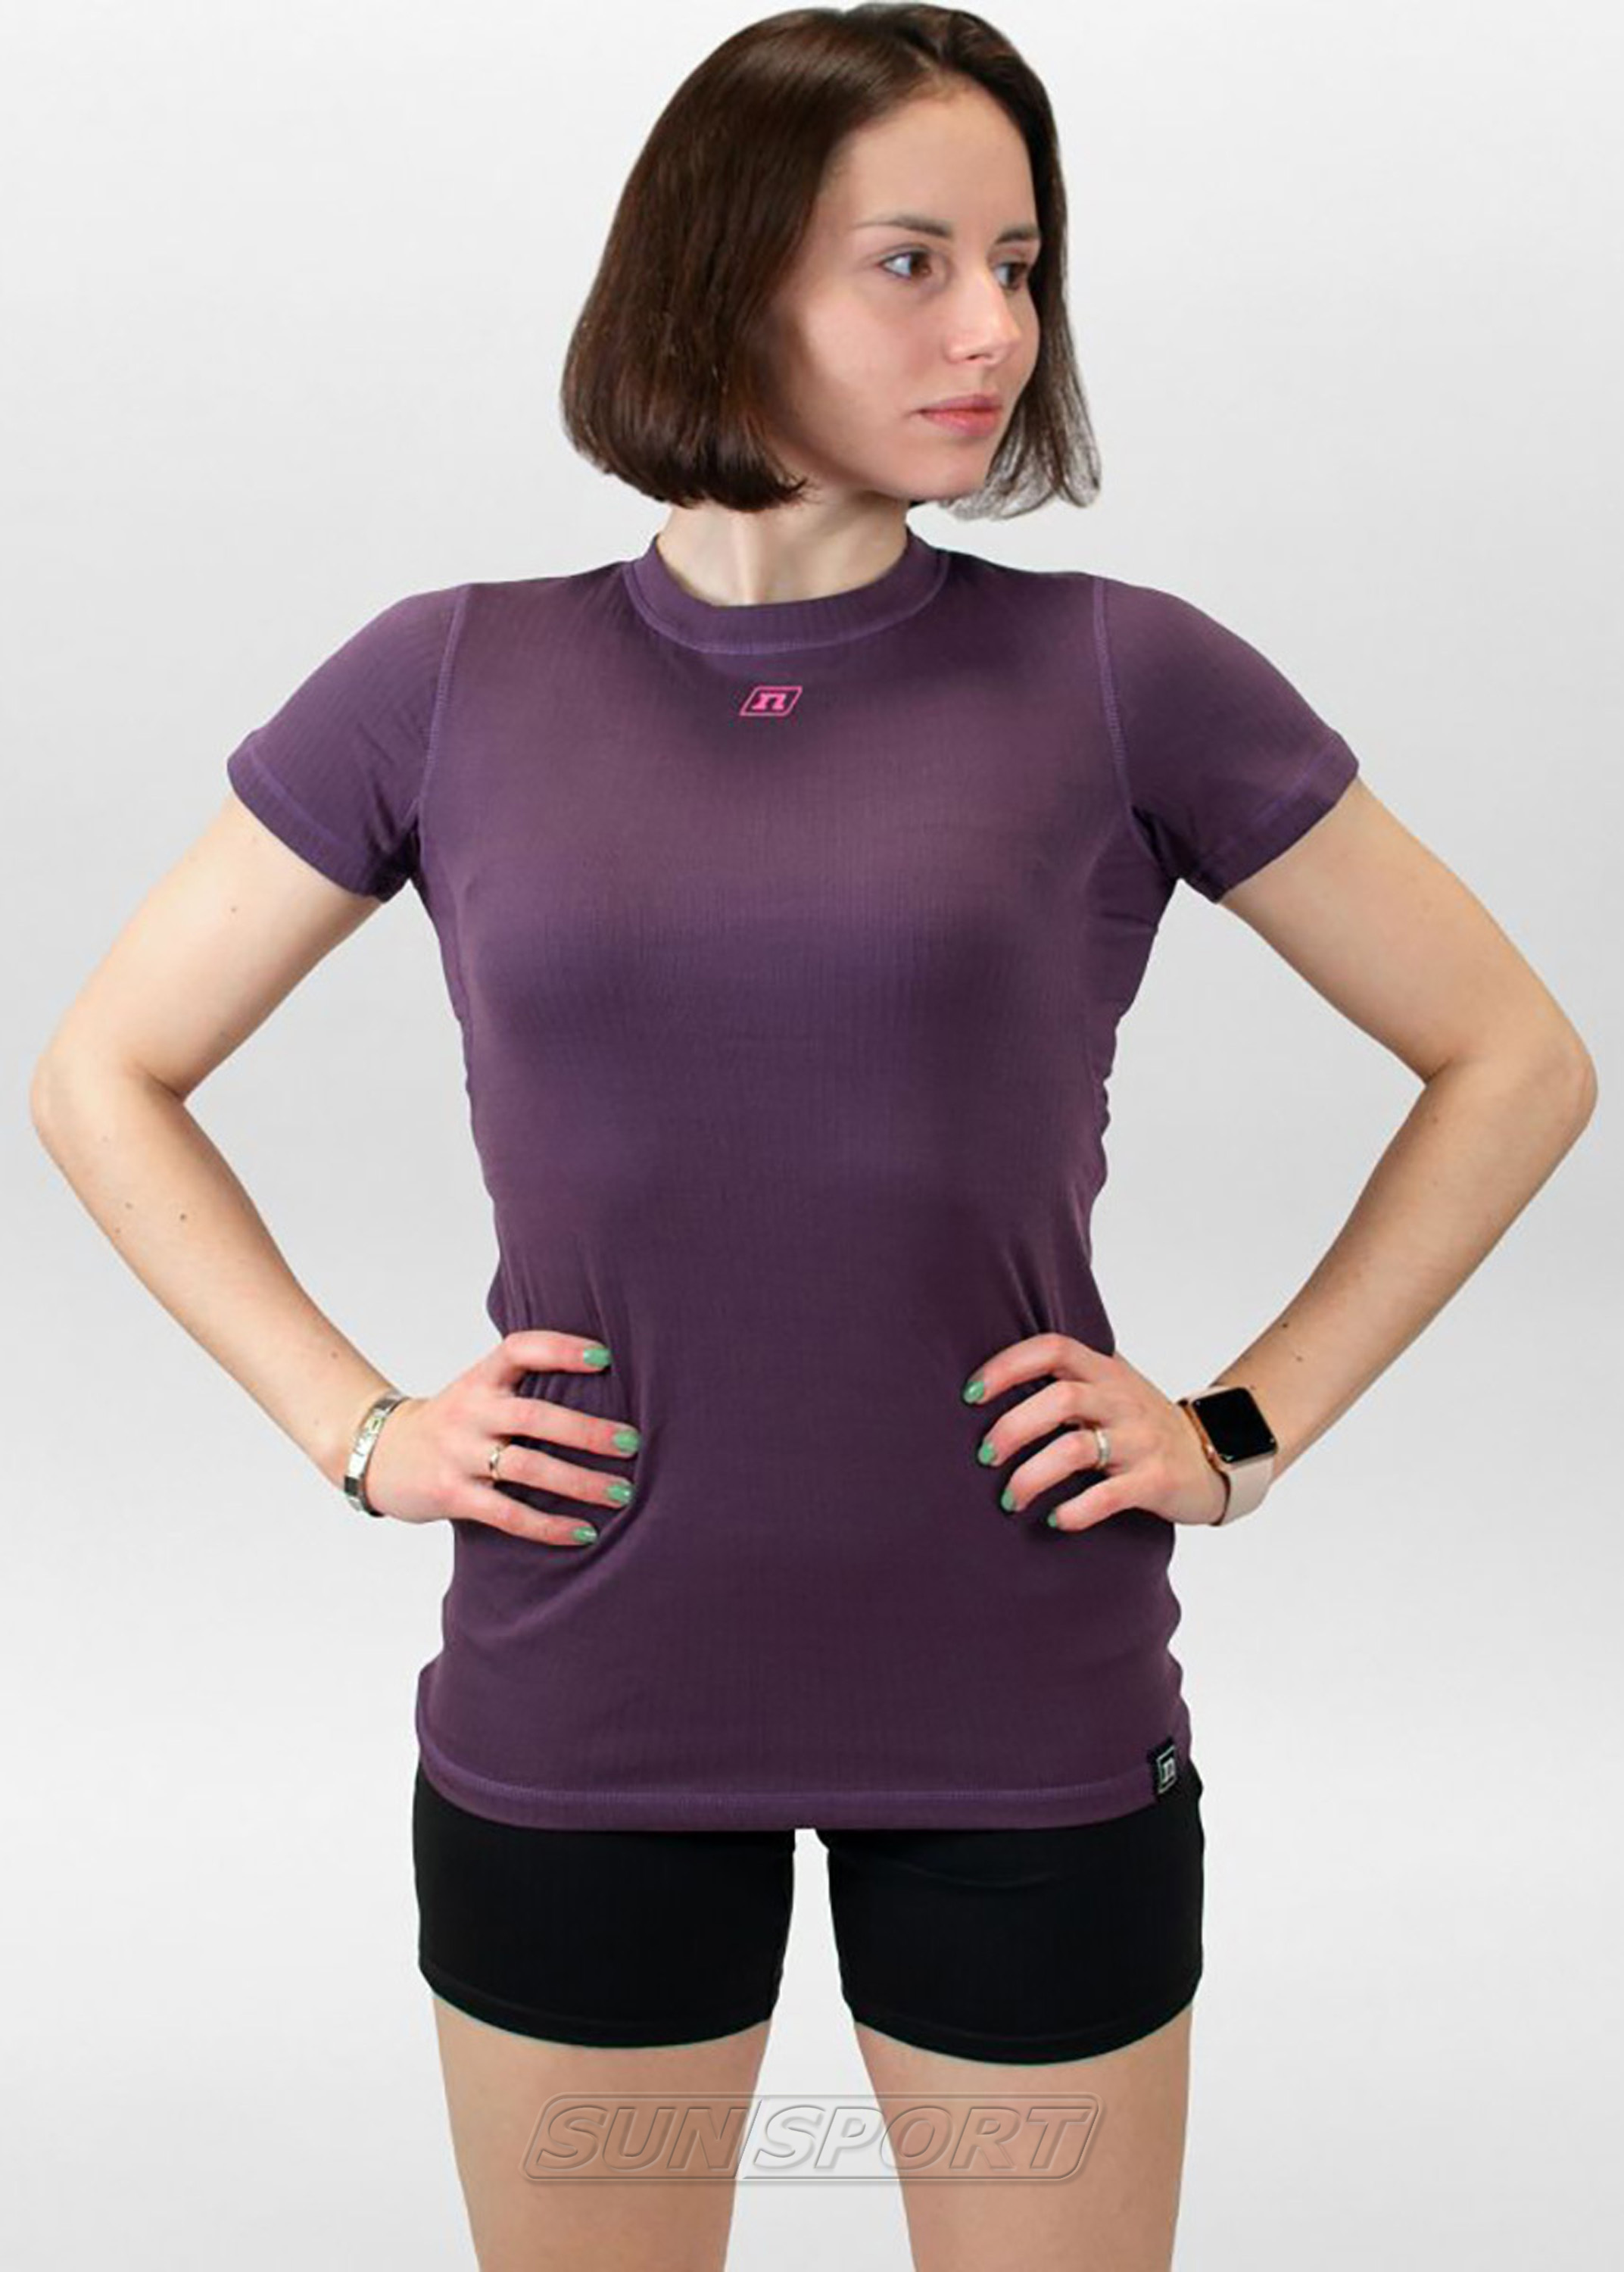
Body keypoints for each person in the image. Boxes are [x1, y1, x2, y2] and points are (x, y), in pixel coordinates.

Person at [29, 8, 1597, 2270]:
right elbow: (104, 1069)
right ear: (727, 271)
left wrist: (1242, 1427)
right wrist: (357, 1429)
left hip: (1018, 1694)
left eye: (1020, 265)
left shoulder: (1123, 674)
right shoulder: (450, 677)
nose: (995, 331)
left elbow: (1513, 1056)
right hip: (585, 1693)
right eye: (913, 262)